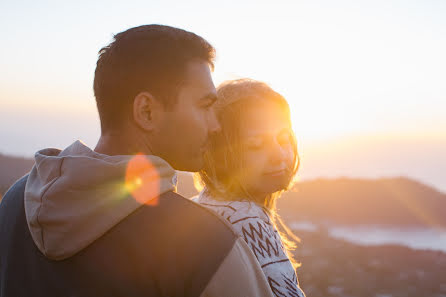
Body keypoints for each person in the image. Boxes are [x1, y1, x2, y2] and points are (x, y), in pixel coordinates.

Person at [0, 25, 275, 297]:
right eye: (204, 106)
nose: (215, 125)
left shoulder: (17, 202)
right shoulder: (204, 242)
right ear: (146, 111)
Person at [194, 79, 306, 297]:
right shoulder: (247, 221)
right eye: (256, 145)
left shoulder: (205, 207)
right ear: (219, 156)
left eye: (284, 139)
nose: (279, 155)